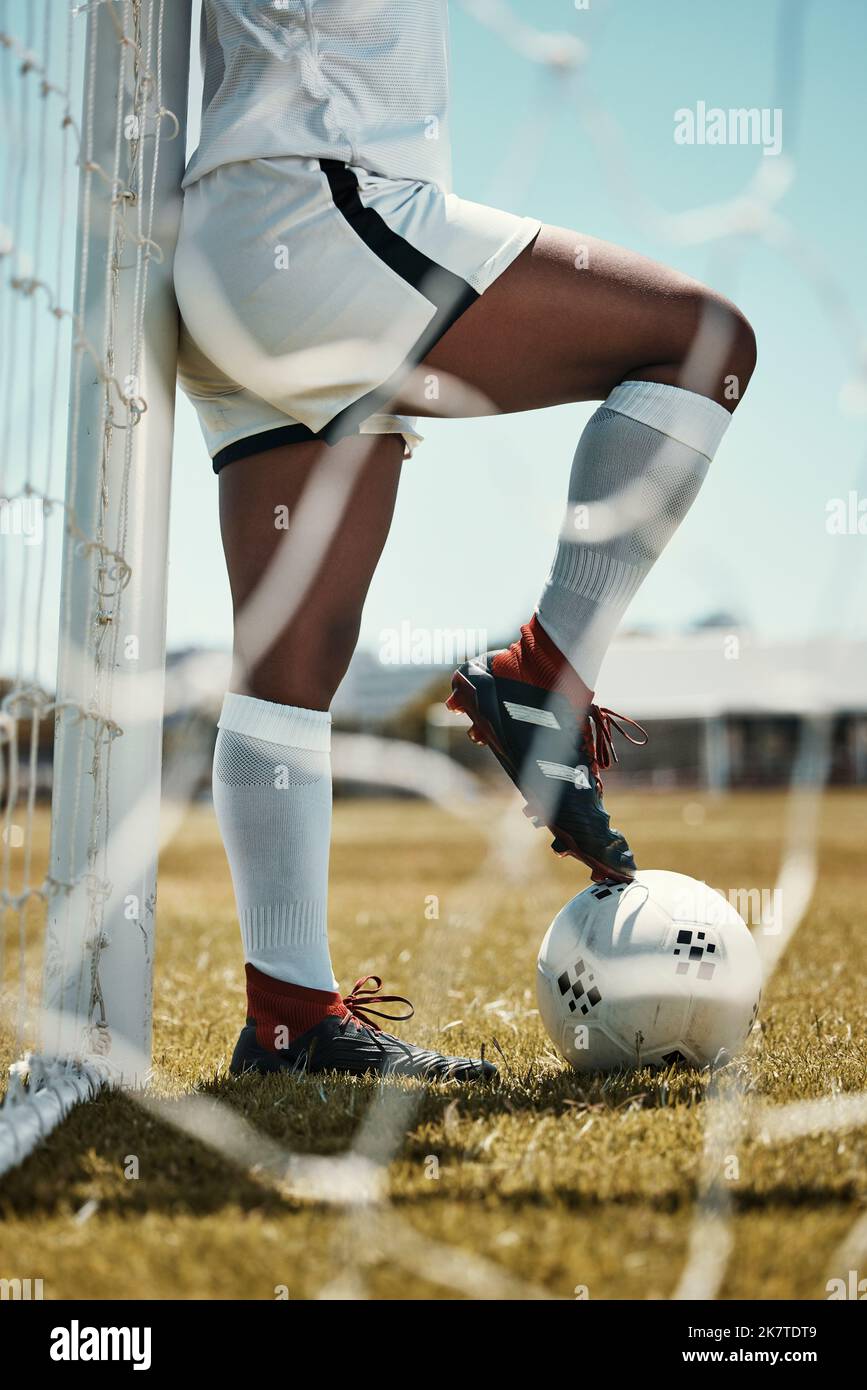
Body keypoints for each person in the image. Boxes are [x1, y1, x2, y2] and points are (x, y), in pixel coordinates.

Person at [174, 1, 756, 1082]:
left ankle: (290, 1020)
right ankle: (545, 675)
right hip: (326, 207)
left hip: (225, 245)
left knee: (289, 669)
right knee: (702, 343)